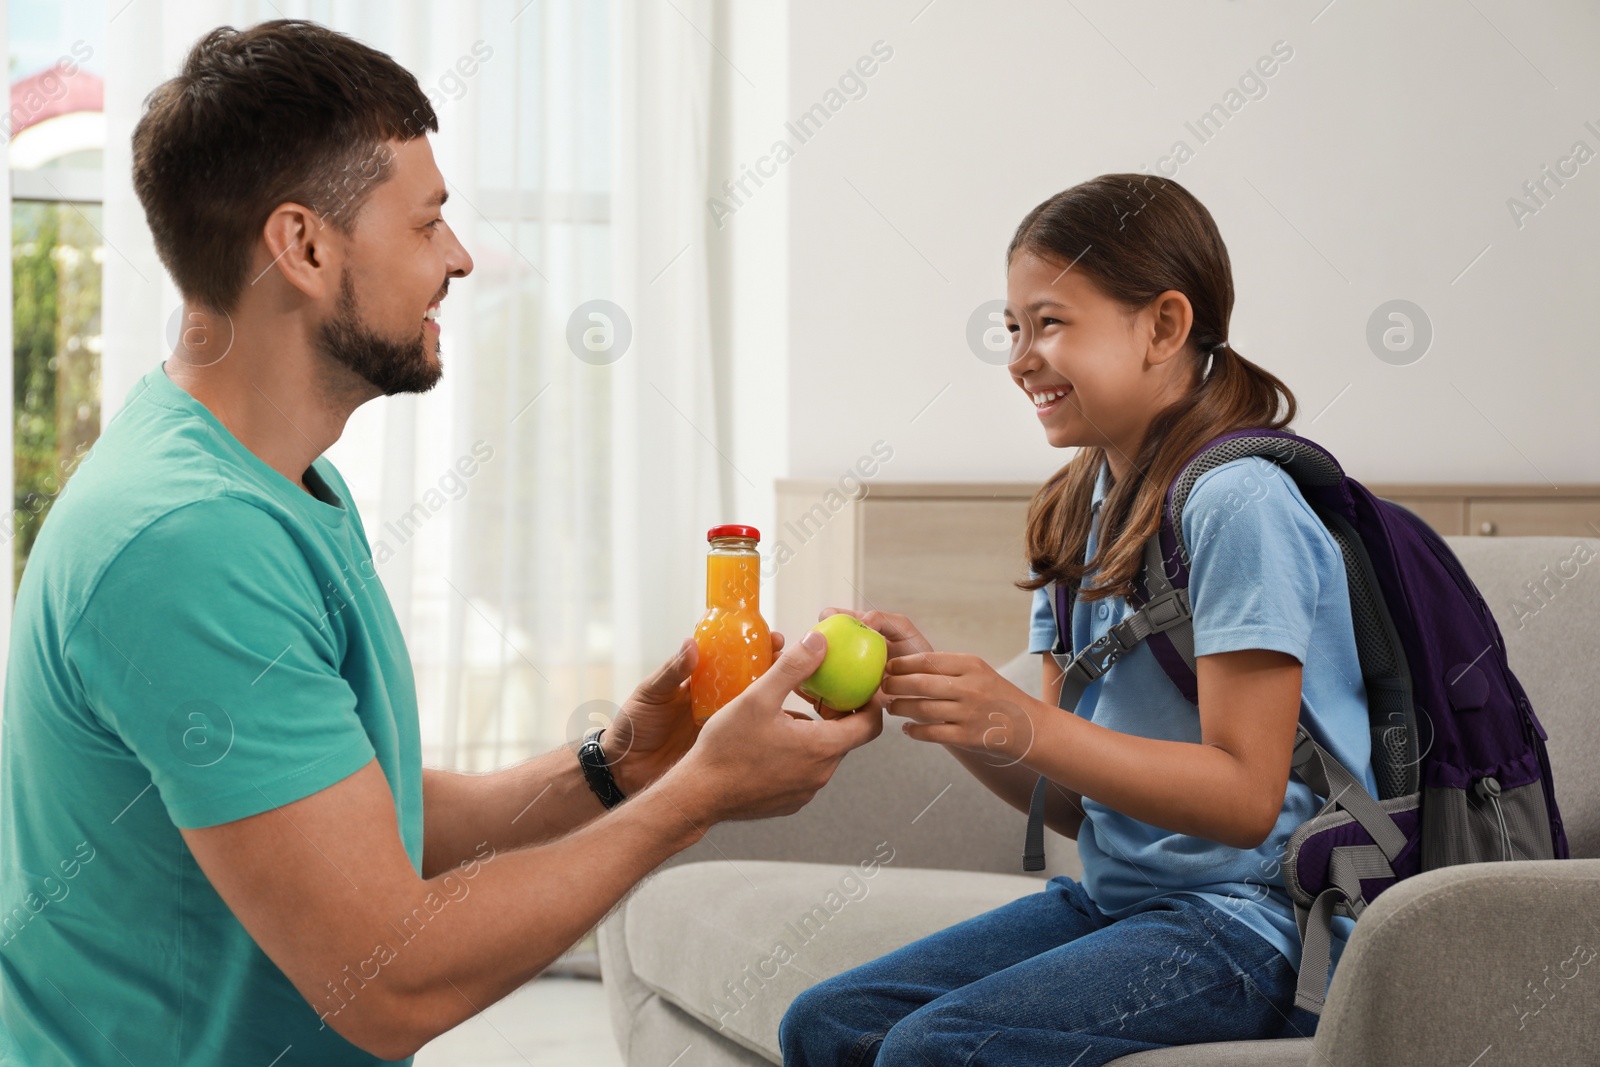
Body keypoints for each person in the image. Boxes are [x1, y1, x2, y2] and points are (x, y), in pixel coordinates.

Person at [0, 20, 880, 1066]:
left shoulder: (265, 482)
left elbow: (363, 822)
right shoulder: (191, 540)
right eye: (427, 224)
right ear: (305, 245)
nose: (458, 258)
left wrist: (626, 762)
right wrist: (699, 796)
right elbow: (389, 978)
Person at [780, 174, 1378, 1065]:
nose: (1020, 356)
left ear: (1164, 326)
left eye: (1050, 322)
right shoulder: (1082, 502)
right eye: (1013, 327)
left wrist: (1024, 719)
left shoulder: (1238, 503)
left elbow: (1249, 800)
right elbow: (1069, 802)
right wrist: (952, 712)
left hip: (1261, 923)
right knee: (826, 1025)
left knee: (933, 1049)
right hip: (1122, 901)